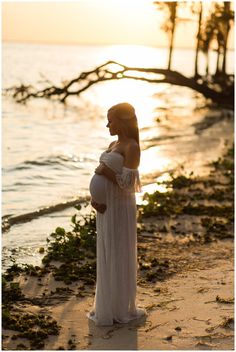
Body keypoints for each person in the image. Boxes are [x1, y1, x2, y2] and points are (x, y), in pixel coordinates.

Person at [87, 102, 147, 326]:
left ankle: (120, 308)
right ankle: (107, 306)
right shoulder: (114, 143)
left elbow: (129, 185)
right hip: (105, 208)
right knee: (107, 252)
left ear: (121, 121)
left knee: (118, 253)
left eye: (110, 120)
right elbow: (105, 179)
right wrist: (95, 200)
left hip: (120, 209)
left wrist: (105, 171)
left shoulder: (132, 147)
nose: (107, 124)